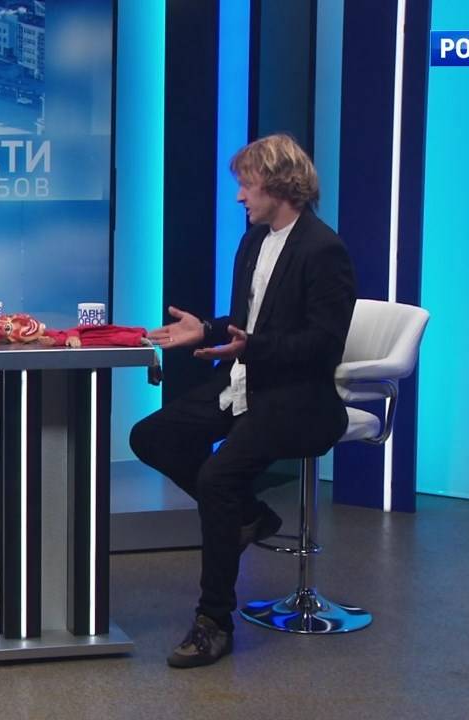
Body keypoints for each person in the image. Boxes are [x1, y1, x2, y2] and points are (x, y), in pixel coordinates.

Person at [130, 134, 356, 668]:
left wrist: (252, 348)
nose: (239, 196)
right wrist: (205, 330)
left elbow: (323, 345)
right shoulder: (254, 239)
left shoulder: (324, 250)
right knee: (151, 436)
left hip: (297, 398)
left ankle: (213, 622)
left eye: (246, 185)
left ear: (279, 185)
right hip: (243, 382)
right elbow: (245, 323)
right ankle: (247, 516)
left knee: (217, 479)